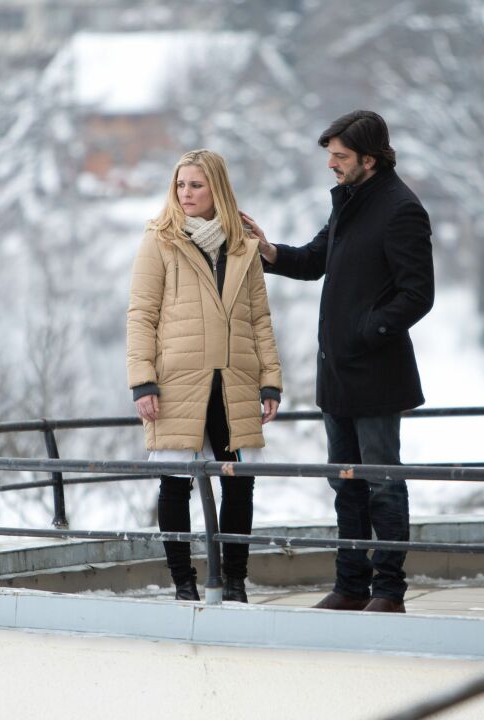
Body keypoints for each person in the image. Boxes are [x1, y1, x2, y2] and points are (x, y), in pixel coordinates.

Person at [241, 110, 433, 614]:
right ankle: (351, 586)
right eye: (331, 155)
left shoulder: (401, 209)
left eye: (340, 156)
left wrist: (366, 332)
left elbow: (418, 295)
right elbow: (314, 260)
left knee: (382, 484)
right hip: (337, 373)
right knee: (344, 484)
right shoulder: (349, 201)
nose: (331, 164)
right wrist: (269, 251)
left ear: (370, 159)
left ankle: (389, 592)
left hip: (377, 374)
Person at [127, 149, 283, 603]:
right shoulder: (160, 240)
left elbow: (260, 319)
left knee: (239, 482)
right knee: (175, 483)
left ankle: (235, 582)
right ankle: (183, 584)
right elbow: (141, 314)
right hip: (177, 381)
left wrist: (270, 381)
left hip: (235, 380)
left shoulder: (243, 246)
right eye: (180, 185)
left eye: (196, 185)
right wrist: (142, 381)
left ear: (217, 188)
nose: (185, 193)